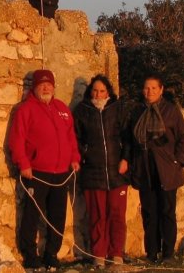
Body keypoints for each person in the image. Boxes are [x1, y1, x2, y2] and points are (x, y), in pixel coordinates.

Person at [8, 69, 81, 270]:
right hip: (37, 172)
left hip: (62, 172)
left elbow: (70, 138)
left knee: (58, 215)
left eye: (49, 84)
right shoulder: (26, 109)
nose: (46, 87)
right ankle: (30, 256)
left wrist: (74, 158)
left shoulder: (62, 109)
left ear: (54, 87)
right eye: (42, 84)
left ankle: (51, 254)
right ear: (35, 87)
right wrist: (23, 163)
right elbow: (17, 140)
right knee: (32, 215)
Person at [124, 75, 184, 264]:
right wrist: (129, 161)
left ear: (161, 90)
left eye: (154, 88)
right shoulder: (137, 112)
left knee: (167, 212)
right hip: (145, 169)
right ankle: (152, 253)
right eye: (147, 88)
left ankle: (168, 254)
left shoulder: (171, 111)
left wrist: (179, 161)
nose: (150, 92)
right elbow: (129, 138)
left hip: (167, 169)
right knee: (149, 212)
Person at [72, 75, 130, 268]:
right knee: (97, 216)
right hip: (93, 171)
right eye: (95, 90)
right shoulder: (82, 111)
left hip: (117, 172)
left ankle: (116, 253)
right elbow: (76, 138)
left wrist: (125, 158)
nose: (98, 94)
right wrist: (85, 153)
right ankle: (99, 255)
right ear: (90, 92)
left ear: (108, 92)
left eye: (102, 90)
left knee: (117, 215)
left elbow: (127, 135)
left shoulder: (117, 108)